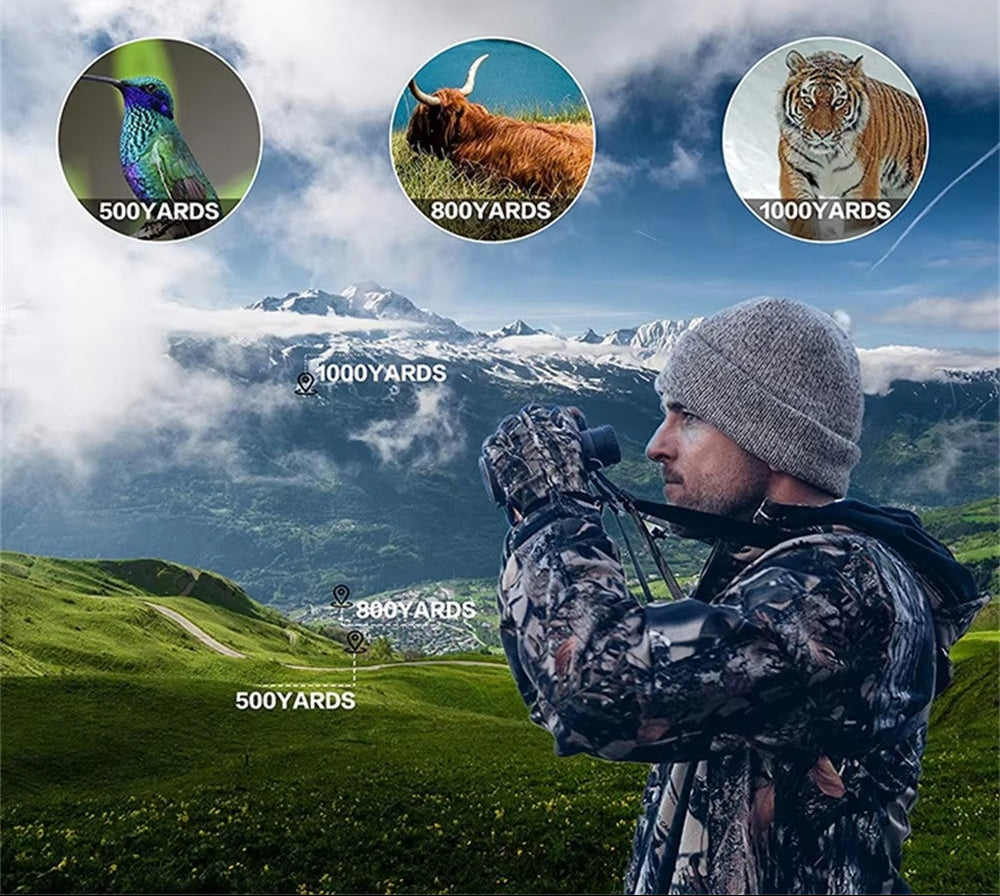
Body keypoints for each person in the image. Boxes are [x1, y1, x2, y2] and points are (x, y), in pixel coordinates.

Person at [480, 297, 985, 895]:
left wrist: (553, 512)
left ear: (773, 435)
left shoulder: (847, 586)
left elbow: (598, 693)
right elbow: (559, 697)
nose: (656, 445)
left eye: (687, 416)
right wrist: (539, 528)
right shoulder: (768, 571)